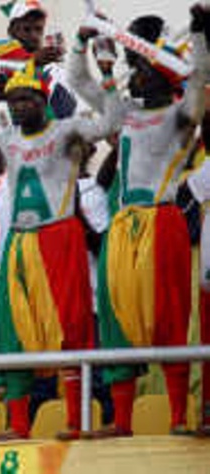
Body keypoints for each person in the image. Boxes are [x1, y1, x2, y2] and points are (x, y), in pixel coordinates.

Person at [0, 44, 123, 438]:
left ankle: (74, 421)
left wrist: (103, 71)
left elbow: (109, 124)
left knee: (70, 331)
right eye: (12, 100)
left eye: (25, 99)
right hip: (20, 244)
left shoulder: (66, 130)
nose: (17, 107)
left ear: (42, 99)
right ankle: (17, 427)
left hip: (60, 237)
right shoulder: (5, 137)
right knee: (14, 333)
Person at [69, 7, 210, 437]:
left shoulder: (183, 116)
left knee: (168, 317)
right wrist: (82, 42)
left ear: (167, 72)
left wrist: (201, 32)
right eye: (135, 66)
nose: (138, 74)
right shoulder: (122, 111)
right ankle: (122, 422)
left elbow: (200, 76)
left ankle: (179, 419)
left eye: (147, 67)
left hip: (162, 220)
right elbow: (78, 82)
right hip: (122, 225)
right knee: (114, 319)